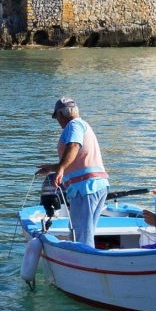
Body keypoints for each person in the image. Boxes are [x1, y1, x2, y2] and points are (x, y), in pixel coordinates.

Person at [40, 97, 110, 246]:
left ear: (60, 115)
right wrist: (53, 168)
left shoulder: (73, 125)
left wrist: (60, 169)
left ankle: (87, 265)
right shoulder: (83, 125)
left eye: (56, 117)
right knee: (84, 230)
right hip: (97, 185)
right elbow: (78, 158)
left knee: (82, 234)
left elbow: (73, 146)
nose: (57, 121)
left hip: (85, 188)